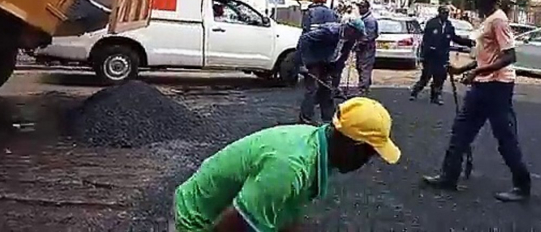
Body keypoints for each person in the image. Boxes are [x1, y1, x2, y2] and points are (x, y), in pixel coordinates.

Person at [172, 97, 401, 232]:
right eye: (369, 154)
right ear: (352, 146)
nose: (367, 162)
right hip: (198, 219)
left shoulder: (315, 143)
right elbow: (233, 226)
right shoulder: (289, 167)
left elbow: (285, 211)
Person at [422, 0, 531, 203]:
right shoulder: (487, 20)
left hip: (498, 87)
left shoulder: (499, 20)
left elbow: (510, 56)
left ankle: (522, 185)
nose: (474, 0)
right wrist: (461, 68)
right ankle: (448, 176)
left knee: (505, 137)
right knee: (461, 130)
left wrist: (477, 73)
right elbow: (484, 57)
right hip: (482, 85)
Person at [297, 19, 366, 124]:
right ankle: (306, 118)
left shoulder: (350, 40)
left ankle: (329, 119)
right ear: (351, 30)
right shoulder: (329, 32)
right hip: (313, 60)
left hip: (328, 62)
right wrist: (303, 63)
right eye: (357, 34)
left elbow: (342, 58)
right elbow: (304, 39)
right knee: (312, 88)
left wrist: (336, 78)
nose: (357, 38)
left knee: (327, 89)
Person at [410, 5, 473, 105]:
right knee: (426, 76)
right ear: (439, 13)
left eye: (447, 13)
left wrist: (468, 42)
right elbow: (425, 40)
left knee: (440, 76)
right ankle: (415, 92)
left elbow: (454, 37)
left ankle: (436, 95)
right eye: (443, 13)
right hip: (430, 55)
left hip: (442, 55)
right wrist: (423, 55)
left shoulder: (448, 25)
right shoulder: (432, 23)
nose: (445, 15)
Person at [354, 0, 378, 95]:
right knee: (360, 67)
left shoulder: (370, 20)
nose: (360, 9)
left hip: (367, 48)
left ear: (367, 8)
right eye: (359, 7)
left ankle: (363, 89)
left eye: (362, 7)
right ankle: (364, 86)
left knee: (364, 68)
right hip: (363, 48)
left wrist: (358, 43)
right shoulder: (364, 19)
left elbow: (369, 36)